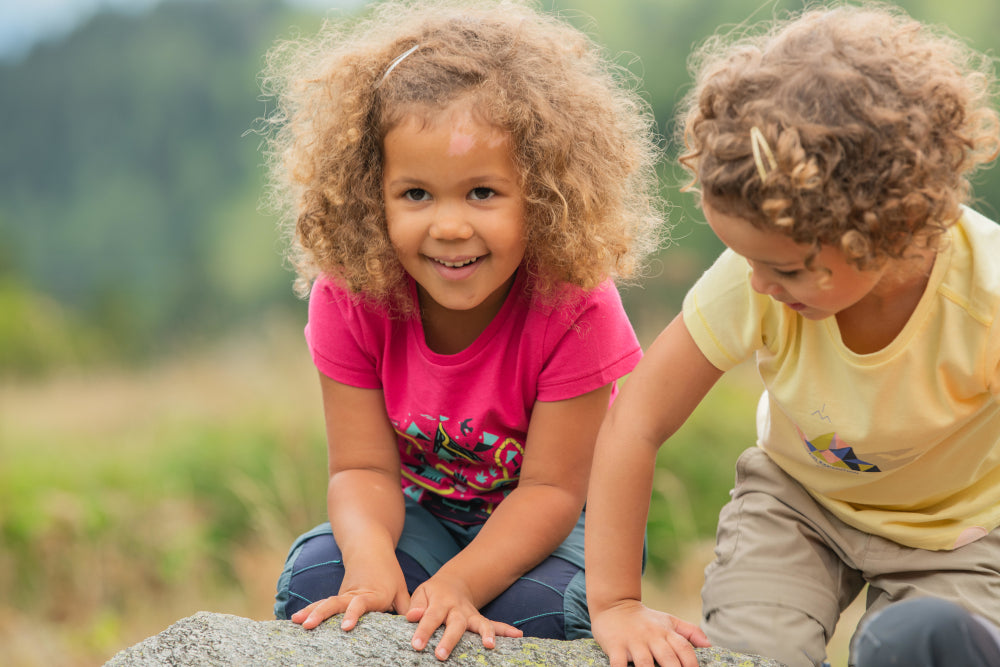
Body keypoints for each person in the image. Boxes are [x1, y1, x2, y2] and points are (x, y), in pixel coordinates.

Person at [583, 4, 1000, 667]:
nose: (757, 284)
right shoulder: (756, 274)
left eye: (783, 267)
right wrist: (614, 601)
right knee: (755, 652)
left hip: (958, 533)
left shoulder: (987, 295)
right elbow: (636, 418)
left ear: (885, 226)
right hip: (799, 507)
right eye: (747, 260)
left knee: (914, 644)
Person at [258, 0, 664, 661]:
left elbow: (553, 489)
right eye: (416, 194)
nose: (449, 226)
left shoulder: (574, 304)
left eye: (482, 193)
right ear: (372, 193)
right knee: (319, 579)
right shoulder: (352, 293)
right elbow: (361, 467)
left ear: (539, 193)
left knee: (542, 612)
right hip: (428, 519)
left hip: (564, 525)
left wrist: (458, 583)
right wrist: (368, 560)